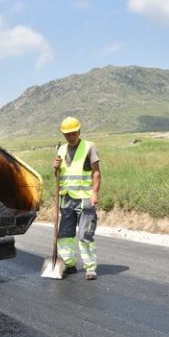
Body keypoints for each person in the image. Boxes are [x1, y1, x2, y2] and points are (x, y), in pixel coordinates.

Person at [53, 116, 102, 280]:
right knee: (65, 235)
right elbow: (59, 176)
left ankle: (90, 268)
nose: (71, 137)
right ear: (63, 134)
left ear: (79, 131)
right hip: (66, 198)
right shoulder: (61, 150)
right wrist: (56, 168)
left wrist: (95, 193)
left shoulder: (89, 147)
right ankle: (69, 264)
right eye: (67, 134)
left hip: (84, 198)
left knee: (85, 234)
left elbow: (96, 172)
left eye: (73, 133)